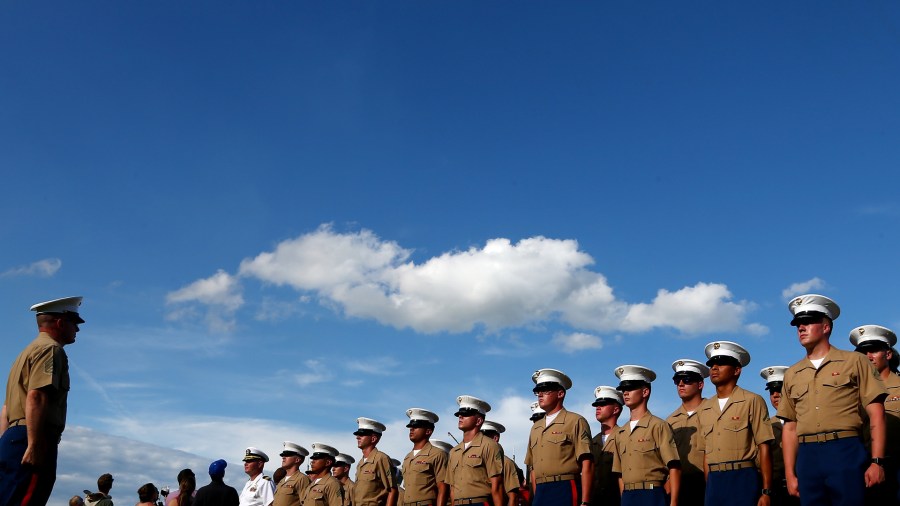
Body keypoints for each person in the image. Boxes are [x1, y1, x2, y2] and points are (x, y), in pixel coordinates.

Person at [777, 294, 887, 505]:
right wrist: (790, 474)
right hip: (807, 457)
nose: (801, 328)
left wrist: (877, 461)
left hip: (844, 450)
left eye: (807, 322)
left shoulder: (855, 361)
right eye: (798, 324)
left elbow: (876, 412)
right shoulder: (792, 373)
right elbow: (790, 427)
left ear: (826, 327)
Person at [0, 296, 84, 506]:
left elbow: (6, 409)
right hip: (33, 437)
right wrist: (35, 444)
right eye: (74, 323)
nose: (77, 329)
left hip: (13, 437)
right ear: (60, 322)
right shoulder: (51, 350)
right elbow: (37, 396)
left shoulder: (25, 353)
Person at [698, 341, 774, 506]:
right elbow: (706, 453)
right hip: (715, 482)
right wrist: (709, 485)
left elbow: (764, 447)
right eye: (712, 364)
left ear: (737, 370)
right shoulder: (704, 408)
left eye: (721, 363)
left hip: (743, 478)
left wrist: (766, 491)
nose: (714, 368)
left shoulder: (752, 400)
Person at [611, 365, 680, 506]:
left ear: (645, 392)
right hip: (628, 496)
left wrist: (673, 502)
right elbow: (619, 474)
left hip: (652, 494)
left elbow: (674, 467)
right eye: (623, 389)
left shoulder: (658, 426)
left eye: (630, 388)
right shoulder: (620, 433)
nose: (625, 393)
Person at [526, 368, 593, 506]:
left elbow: (587, 463)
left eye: (546, 390)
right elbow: (532, 468)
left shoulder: (575, 421)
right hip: (541, 491)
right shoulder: (536, 428)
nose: (540, 395)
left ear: (560, 393)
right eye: (538, 391)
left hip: (564, 488)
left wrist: (585, 501)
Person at [850, 324, 900, 503]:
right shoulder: (853, 392)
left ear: (888, 354)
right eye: (863, 352)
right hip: (864, 466)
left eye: (874, 351)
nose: (868, 356)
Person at [445, 395, 504, 506]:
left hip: (479, 502)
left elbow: (497, 486)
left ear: (478, 421)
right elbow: (452, 489)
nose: (461, 416)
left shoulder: (490, 446)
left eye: (466, 414)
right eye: (459, 414)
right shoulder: (454, 452)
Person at [666, 360, 708, 506]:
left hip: (706, 482)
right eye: (677, 380)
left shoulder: (714, 412)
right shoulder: (670, 421)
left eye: (687, 379)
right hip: (678, 484)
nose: (681, 384)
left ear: (700, 384)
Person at [760, 366, 798, 506]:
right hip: (775, 492)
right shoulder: (766, 426)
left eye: (779, 389)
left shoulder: (805, 422)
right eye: (771, 391)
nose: (775, 395)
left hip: (802, 487)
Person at [401, 408, 448, 506]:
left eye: (417, 426)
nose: (411, 429)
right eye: (411, 426)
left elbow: (443, 488)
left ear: (428, 431)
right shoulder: (407, 458)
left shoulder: (437, 454)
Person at [589, 386, 623, 506]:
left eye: (603, 404)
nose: (598, 407)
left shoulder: (625, 437)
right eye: (597, 404)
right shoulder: (592, 442)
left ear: (615, 410)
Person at [353, 417, 397, 506]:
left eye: (362, 435)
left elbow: (392, 490)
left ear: (373, 439)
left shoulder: (381, 458)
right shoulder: (361, 463)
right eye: (358, 435)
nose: (358, 437)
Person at [481, 420, 520, 506]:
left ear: (495, 438)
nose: (481, 441)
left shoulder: (506, 463)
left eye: (485, 437)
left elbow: (513, 498)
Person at [273, 441, 311, 506]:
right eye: (283, 455)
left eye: (287, 455)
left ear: (297, 460)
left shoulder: (302, 479)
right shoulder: (282, 481)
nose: (283, 457)